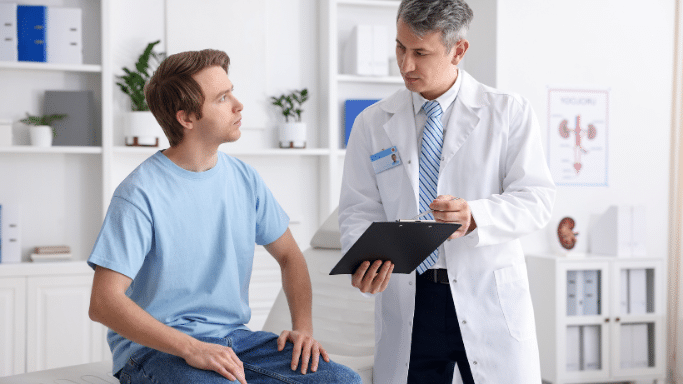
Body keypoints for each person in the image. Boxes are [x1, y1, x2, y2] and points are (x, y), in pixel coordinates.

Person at [88, 49, 361, 384]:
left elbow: (291, 256)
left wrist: (303, 330)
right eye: (222, 98)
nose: (238, 105)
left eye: (231, 91)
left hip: (236, 341)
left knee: (341, 380)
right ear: (186, 118)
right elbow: (103, 302)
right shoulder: (139, 193)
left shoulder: (245, 179)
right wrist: (191, 348)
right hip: (156, 350)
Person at [338, 0, 556, 383]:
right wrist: (362, 260)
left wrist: (475, 217)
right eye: (400, 47)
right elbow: (358, 210)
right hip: (411, 299)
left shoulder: (508, 113)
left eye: (420, 53)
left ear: (458, 50)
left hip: (485, 292)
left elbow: (537, 200)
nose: (405, 65)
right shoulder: (371, 123)